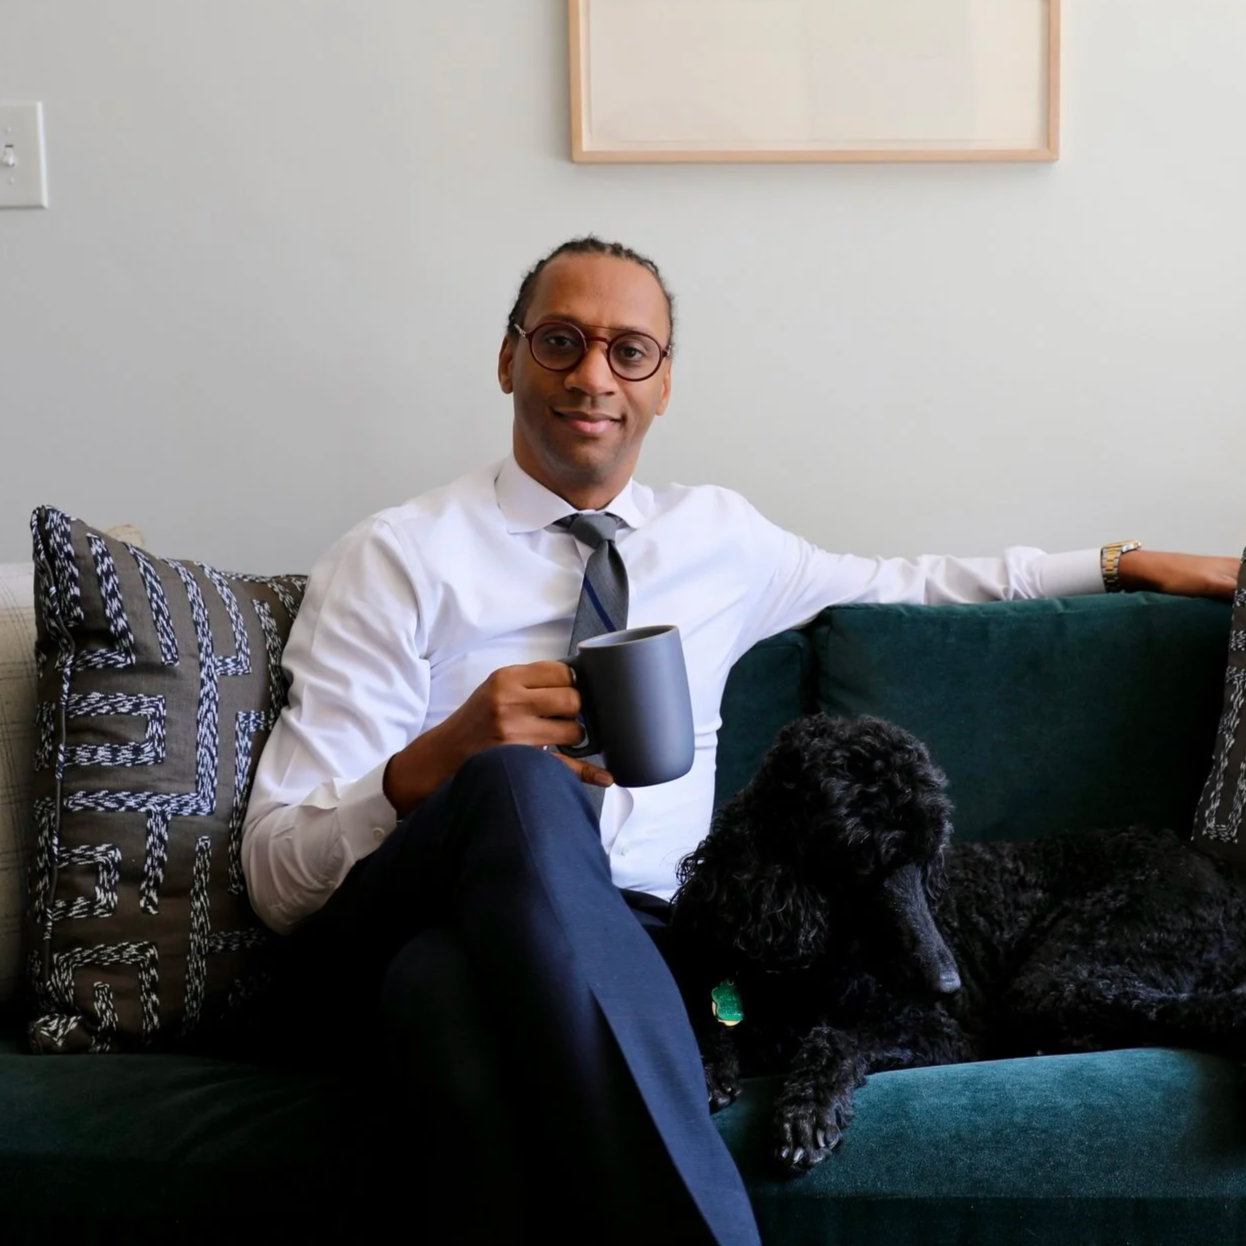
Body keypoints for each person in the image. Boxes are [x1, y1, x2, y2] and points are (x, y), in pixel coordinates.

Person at [241, 237, 1238, 1245]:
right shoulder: (396, 557)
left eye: (629, 351)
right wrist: (437, 760)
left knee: (443, 1000)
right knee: (515, 787)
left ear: (663, 384)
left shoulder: (719, 538)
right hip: (402, 910)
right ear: (508, 360)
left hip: (633, 940)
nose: (593, 375)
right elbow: (280, 876)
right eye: (560, 341)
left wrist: (1119, 560)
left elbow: (918, 581)